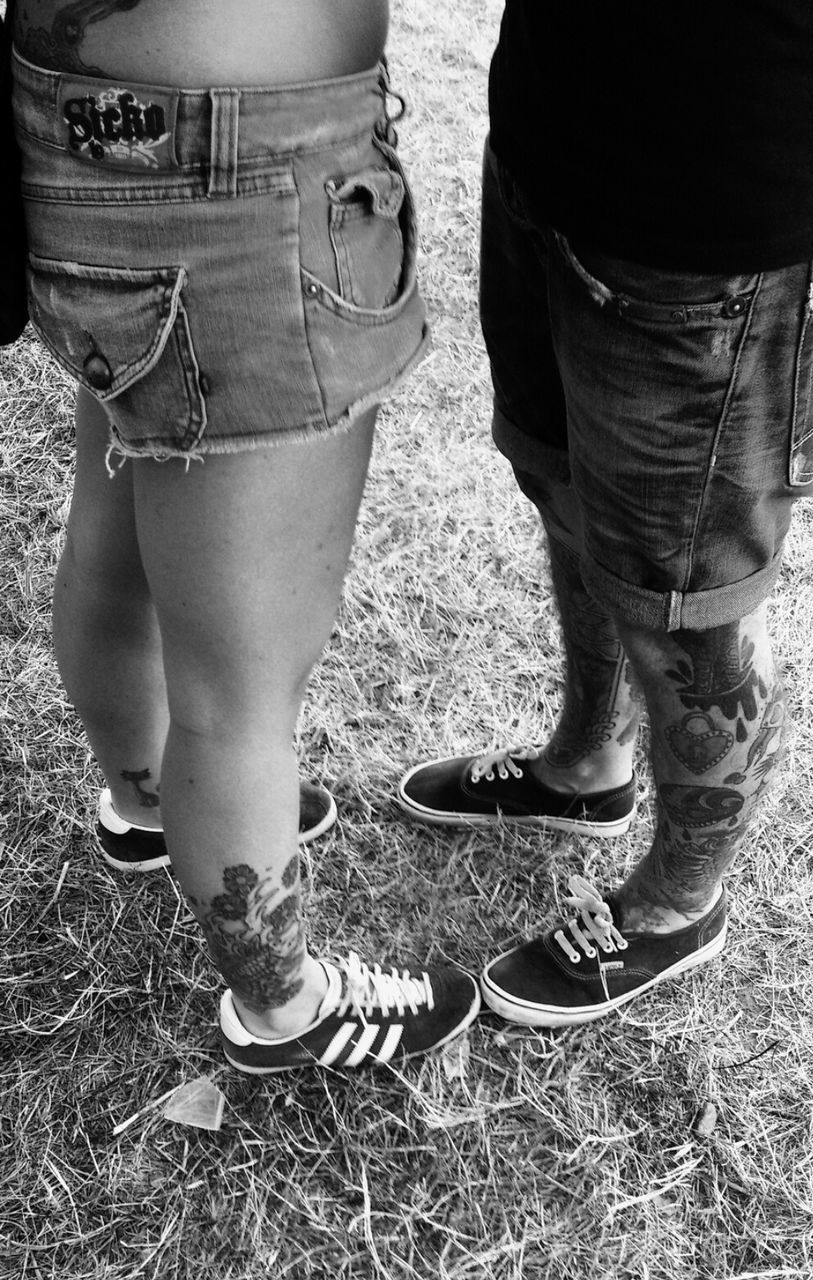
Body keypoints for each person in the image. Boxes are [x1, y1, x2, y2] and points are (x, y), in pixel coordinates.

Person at [10, 0, 479, 1072]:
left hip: (85, 126)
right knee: (243, 692)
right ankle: (285, 1003)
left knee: (117, 523)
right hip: (245, 164)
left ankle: (143, 803)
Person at [398, 2, 813, 1027]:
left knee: (690, 610)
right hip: (552, 140)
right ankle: (584, 768)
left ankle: (678, 904)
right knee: (561, 485)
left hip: (723, 214)